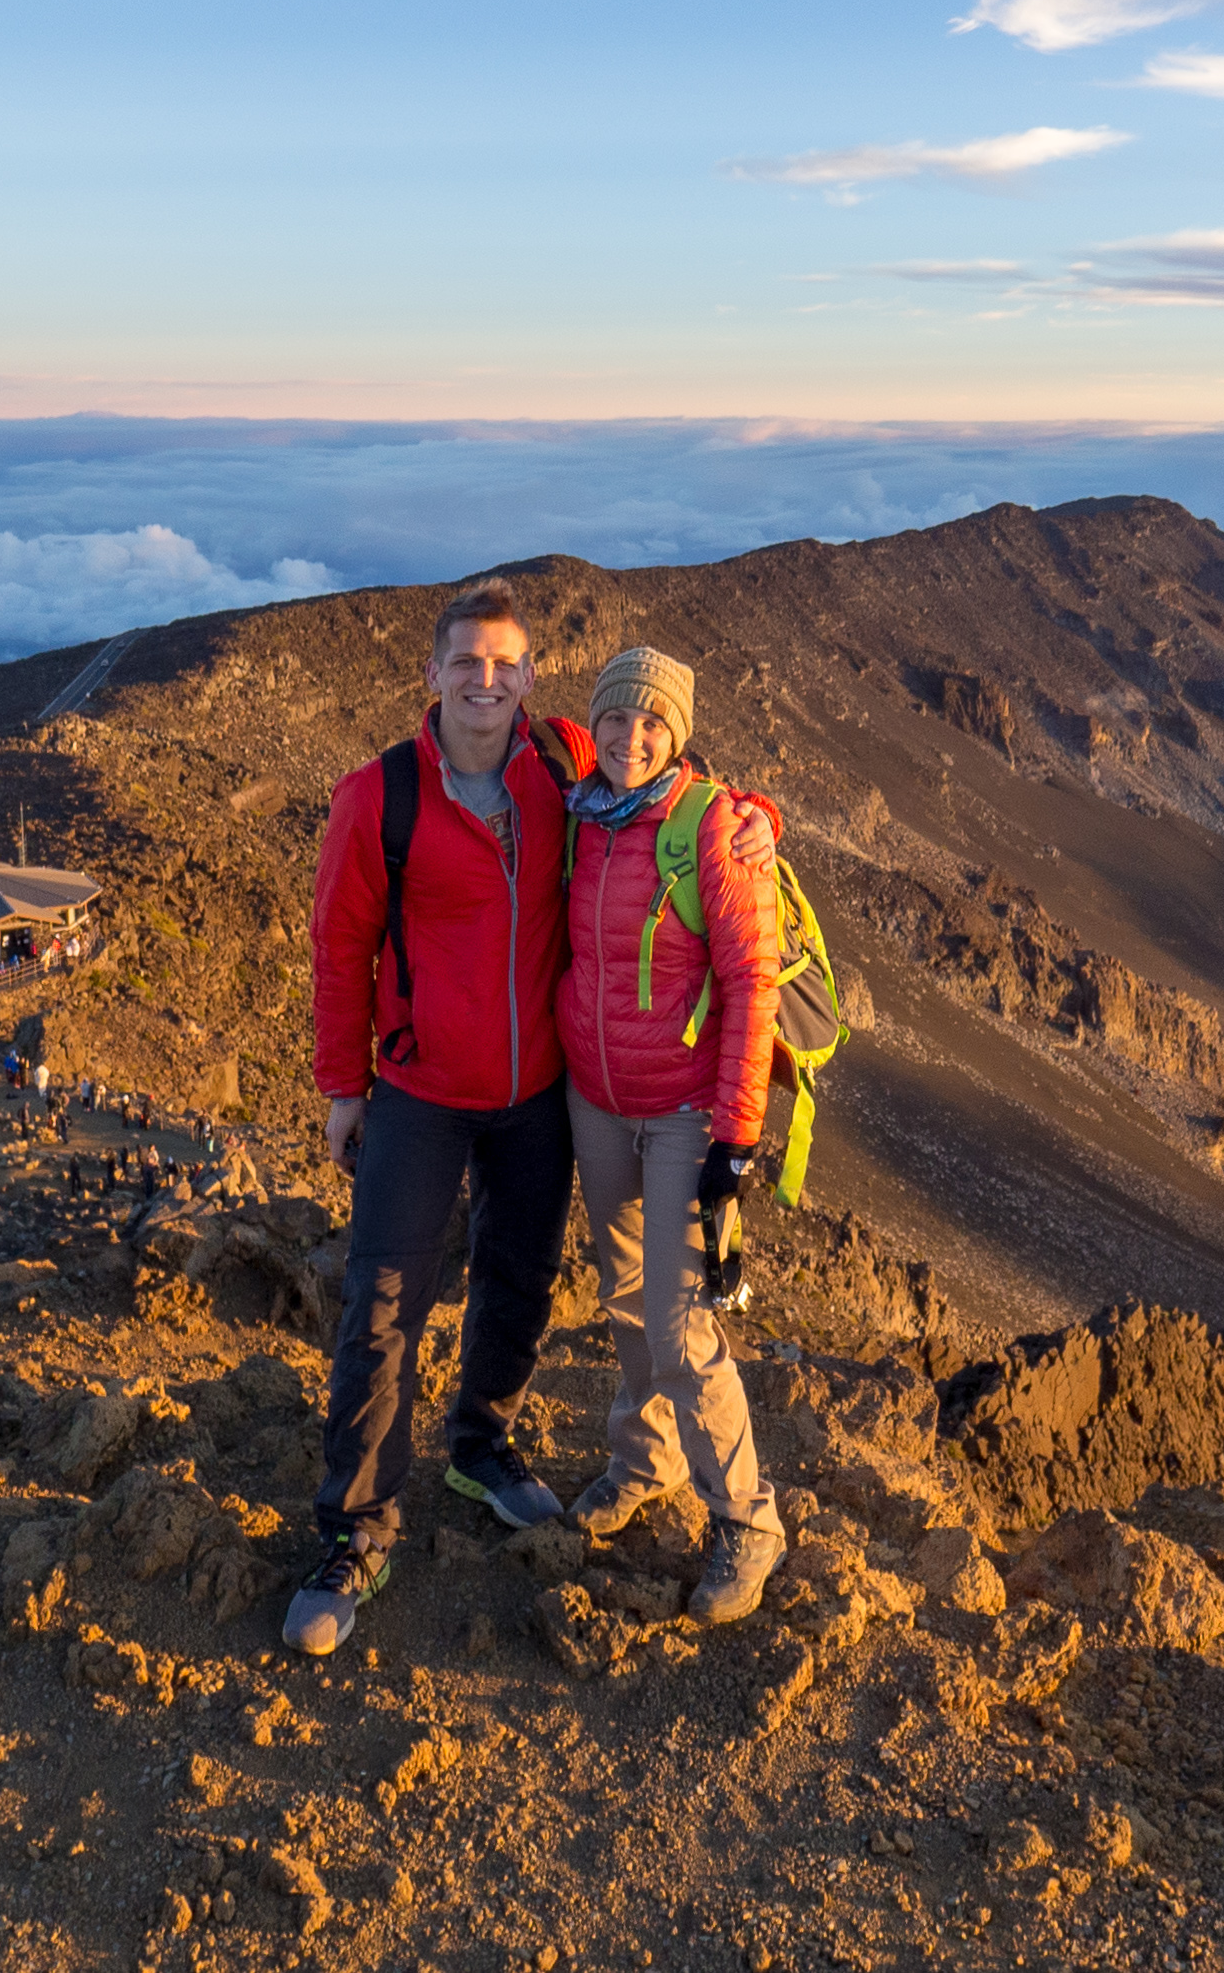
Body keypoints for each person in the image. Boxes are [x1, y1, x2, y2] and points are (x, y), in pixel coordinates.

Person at [285, 575, 597, 1654]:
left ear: (529, 675)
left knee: (521, 1277)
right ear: (432, 672)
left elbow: (662, 783)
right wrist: (343, 1087)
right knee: (382, 1303)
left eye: (504, 663)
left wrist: (743, 826)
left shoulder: (563, 763)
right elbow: (340, 947)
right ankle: (355, 1529)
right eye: (466, 660)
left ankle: (481, 1445)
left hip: (536, 1090)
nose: (485, 679)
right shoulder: (378, 797)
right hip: (419, 1092)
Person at [551, 646, 787, 1621]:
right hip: (597, 1101)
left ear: (677, 735)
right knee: (622, 1295)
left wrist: (736, 1141)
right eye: (616, 717)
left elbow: (752, 983)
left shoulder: (713, 829)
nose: (631, 737)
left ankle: (746, 1520)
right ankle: (645, 1457)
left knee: (679, 1320)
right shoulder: (579, 816)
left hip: (686, 1112)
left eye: (652, 722)